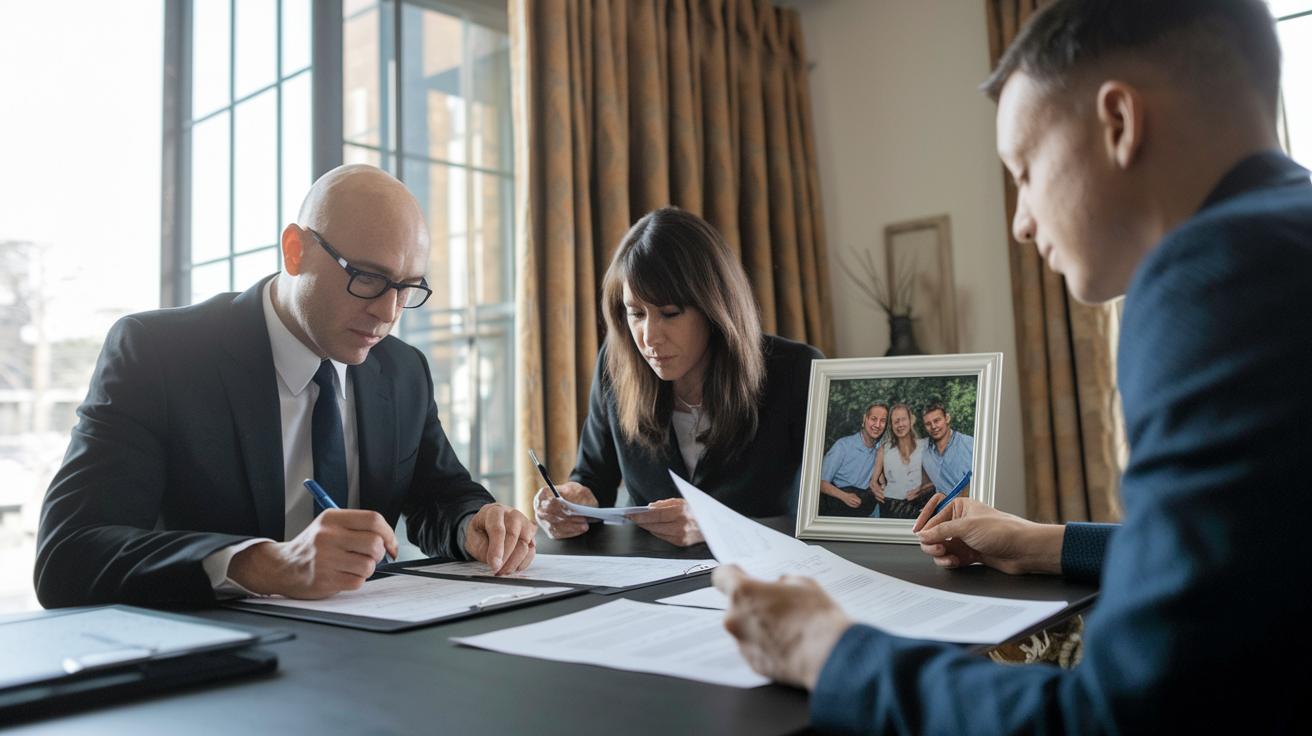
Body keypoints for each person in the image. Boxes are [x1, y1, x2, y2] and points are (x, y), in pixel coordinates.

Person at [712, 0, 1312, 731]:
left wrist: (828, 650)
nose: (1022, 221)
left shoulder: (1212, 279)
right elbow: (1256, 567)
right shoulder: (1285, 243)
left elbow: (1120, 718)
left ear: (1118, 122)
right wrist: (1045, 543)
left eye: (1024, 171)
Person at [35, 165, 536, 607]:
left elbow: (437, 494)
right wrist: (263, 564)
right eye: (367, 278)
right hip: (216, 669)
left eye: (408, 287)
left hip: (375, 651)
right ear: (295, 251)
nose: (388, 314)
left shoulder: (402, 369)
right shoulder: (160, 353)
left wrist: (474, 523)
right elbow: (69, 553)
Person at [533, 207, 822, 546]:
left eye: (670, 313)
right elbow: (592, 477)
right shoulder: (616, 367)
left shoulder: (797, 371)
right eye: (636, 314)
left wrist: (715, 526)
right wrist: (573, 501)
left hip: (763, 582)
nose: (649, 336)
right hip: (646, 579)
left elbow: (820, 518)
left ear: (715, 308)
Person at [816, 403, 887, 518]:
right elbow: (819, 483)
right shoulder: (843, 446)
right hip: (840, 508)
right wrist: (845, 496)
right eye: (874, 419)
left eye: (883, 421)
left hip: (866, 510)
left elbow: (881, 481)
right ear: (865, 419)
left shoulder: (880, 451)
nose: (877, 425)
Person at [878, 403, 934, 519]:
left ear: (911, 420)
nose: (900, 424)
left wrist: (921, 490)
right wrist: (879, 487)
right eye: (896, 421)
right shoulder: (885, 449)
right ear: (891, 426)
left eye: (903, 419)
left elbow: (935, 480)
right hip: (890, 505)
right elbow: (875, 480)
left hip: (918, 505)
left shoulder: (924, 445)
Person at [919, 400, 973, 497]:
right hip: (943, 508)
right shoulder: (923, 449)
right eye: (928, 424)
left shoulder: (970, 444)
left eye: (937, 421)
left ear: (947, 418)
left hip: (973, 506)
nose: (933, 426)